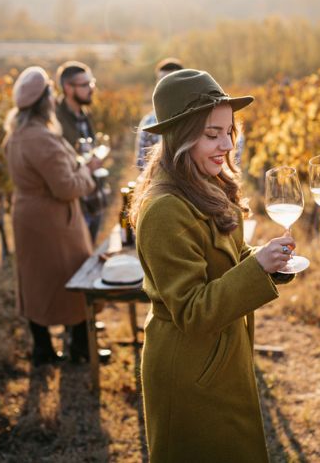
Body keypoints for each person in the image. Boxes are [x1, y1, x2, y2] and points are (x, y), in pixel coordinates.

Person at [131, 69, 298, 462]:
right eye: (212, 134)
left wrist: (266, 261)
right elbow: (191, 310)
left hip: (219, 357)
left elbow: (226, 256)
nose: (226, 144)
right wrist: (257, 270)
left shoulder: (207, 183)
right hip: (190, 370)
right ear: (180, 136)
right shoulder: (165, 210)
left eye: (229, 132)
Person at [3, 66, 102, 366]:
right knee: (72, 275)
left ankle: (43, 349)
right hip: (53, 221)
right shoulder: (42, 138)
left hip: (26, 216)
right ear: (45, 101)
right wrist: (88, 170)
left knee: (34, 280)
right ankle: (80, 348)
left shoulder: (15, 135)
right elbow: (67, 187)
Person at [55, 60, 104, 242]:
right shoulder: (55, 121)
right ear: (68, 88)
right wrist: (86, 165)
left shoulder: (85, 114)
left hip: (93, 196)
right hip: (75, 205)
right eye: (85, 85)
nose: (91, 89)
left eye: (91, 83)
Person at [135, 57, 184, 170]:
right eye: (161, 80)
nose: (165, 85)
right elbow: (141, 164)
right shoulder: (149, 122)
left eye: (171, 80)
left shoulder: (197, 117)